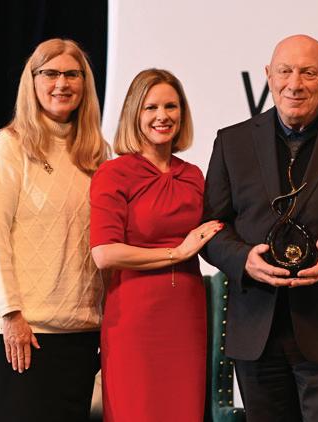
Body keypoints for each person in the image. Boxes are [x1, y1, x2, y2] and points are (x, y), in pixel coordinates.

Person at [203, 34, 318, 421]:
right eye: (285, 71)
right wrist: (243, 259)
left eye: (309, 73)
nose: (295, 84)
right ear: (268, 75)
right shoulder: (232, 142)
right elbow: (212, 227)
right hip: (256, 333)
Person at [0, 38, 109, 422]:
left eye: (72, 74)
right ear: (31, 81)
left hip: (80, 331)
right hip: (23, 331)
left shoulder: (97, 153)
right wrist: (11, 314)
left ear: (85, 84)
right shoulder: (8, 148)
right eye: (50, 73)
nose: (61, 83)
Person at [89, 68, 223, 422]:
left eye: (170, 106)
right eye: (151, 107)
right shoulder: (114, 174)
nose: (162, 116)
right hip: (135, 319)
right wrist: (177, 253)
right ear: (135, 113)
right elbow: (104, 254)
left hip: (186, 315)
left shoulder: (192, 174)